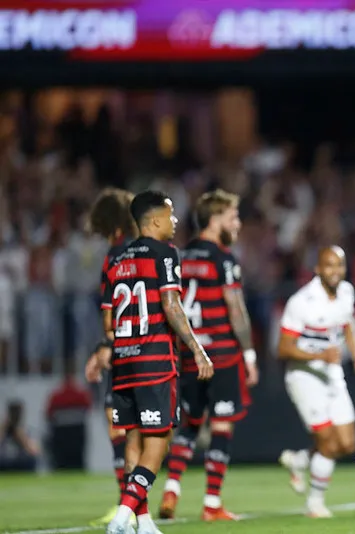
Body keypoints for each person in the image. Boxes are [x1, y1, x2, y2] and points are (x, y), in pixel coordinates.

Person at [92, 190, 214, 534]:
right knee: (158, 444)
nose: (175, 222)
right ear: (156, 220)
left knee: (133, 440)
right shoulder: (165, 253)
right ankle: (121, 518)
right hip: (155, 361)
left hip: (123, 363)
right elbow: (172, 305)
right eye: (171, 215)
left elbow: (107, 322)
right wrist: (197, 349)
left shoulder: (115, 259)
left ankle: (142, 521)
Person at [159, 190, 259, 521]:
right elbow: (236, 309)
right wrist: (249, 354)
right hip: (222, 354)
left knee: (189, 424)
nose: (238, 223)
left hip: (190, 353)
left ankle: (172, 486)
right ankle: (212, 503)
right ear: (215, 220)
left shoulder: (180, 256)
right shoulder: (224, 258)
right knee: (221, 425)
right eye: (233, 217)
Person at [276, 245, 355, 518]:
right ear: (317, 269)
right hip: (304, 376)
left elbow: (346, 324)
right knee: (328, 443)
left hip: (332, 373)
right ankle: (314, 503)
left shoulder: (346, 292)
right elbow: (282, 349)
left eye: (339, 265)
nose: (335, 271)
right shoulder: (301, 301)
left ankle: (299, 460)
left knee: (348, 445)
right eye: (329, 265)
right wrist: (318, 354)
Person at [83, 188, 141, 526]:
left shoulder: (114, 255)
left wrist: (103, 347)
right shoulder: (136, 250)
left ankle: (128, 504)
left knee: (119, 426)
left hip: (122, 348)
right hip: (142, 346)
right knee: (126, 428)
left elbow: (115, 311)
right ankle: (129, 504)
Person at [0, 400, 40, 472]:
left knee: (32, 460)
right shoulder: (3, 429)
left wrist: (20, 435)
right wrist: (3, 429)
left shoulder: (26, 430)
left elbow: (34, 451)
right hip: (4, 462)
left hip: (21, 462)